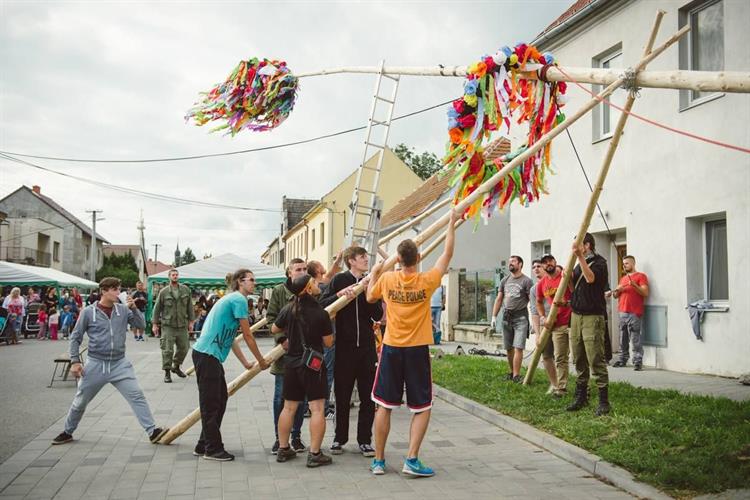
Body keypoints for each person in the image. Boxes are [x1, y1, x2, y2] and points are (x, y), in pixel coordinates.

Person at [367, 209, 458, 477]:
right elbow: (447, 254)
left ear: (398, 259)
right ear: (418, 258)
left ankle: (379, 461)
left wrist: (374, 272)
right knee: (422, 406)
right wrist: (451, 223)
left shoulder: (387, 279)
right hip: (417, 349)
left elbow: (371, 297)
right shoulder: (427, 280)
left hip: (391, 347)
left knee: (384, 404)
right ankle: (411, 459)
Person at [51, 277, 168, 446]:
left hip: (120, 364)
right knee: (81, 400)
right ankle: (68, 431)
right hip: (96, 363)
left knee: (137, 395)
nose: (117, 292)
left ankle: (152, 431)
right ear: (104, 291)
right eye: (114, 289)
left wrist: (134, 309)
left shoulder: (122, 310)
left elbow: (141, 325)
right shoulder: (88, 312)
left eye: (118, 289)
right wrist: (75, 361)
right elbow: (75, 337)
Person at [190, 269, 270, 461]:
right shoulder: (238, 300)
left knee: (220, 400)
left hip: (211, 357)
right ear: (240, 282)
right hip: (206, 355)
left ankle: (203, 444)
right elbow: (248, 335)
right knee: (211, 404)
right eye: (251, 280)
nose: (254, 283)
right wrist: (261, 360)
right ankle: (212, 449)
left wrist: (245, 363)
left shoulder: (234, 300)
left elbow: (232, 338)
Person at [321, 246, 382, 458]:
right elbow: (323, 306)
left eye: (366, 256)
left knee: (368, 397)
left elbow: (377, 314)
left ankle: (365, 440)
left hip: (366, 348)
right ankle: (339, 438)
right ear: (351, 261)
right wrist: (339, 295)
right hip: (344, 349)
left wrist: (368, 293)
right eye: (362, 257)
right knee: (342, 395)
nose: (366, 260)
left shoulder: (369, 280)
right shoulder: (339, 280)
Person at [273, 274, 335, 467]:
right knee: (317, 409)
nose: (318, 285)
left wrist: (287, 337)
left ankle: (283, 449)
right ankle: (315, 453)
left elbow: (275, 328)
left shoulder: (289, 308)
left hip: (291, 364)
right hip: (312, 365)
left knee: (289, 407)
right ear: (308, 289)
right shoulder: (320, 313)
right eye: (315, 283)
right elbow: (328, 342)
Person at [266, 258, 308, 455]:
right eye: (298, 269)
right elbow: (271, 319)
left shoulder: (310, 290)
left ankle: (296, 436)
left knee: (301, 400)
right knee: (280, 398)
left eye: (305, 269)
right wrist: (282, 338)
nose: (302, 272)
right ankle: (278, 438)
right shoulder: (279, 291)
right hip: (284, 355)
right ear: (289, 273)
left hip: (305, 354)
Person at [566, 233, 611, 416]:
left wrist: (579, 257)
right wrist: (567, 278)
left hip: (593, 316)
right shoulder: (578, 264)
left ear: (587, 245)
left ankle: (603, 400)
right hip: (576, 315)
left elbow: (590, 279)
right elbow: (573, 288)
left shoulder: (600, 263)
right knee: (578, 356)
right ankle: (581, 395)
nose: (575, 247)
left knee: (595, 357)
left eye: (579, 244)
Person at [308, 251, 344, 421]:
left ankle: (315, 404)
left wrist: (338, 259)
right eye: (319, 265)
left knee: (321, 368)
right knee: (327, 369)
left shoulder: (320, 283)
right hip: (327, 333)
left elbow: (330, 273)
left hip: (324, 334)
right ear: (316, 270)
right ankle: (324, 406)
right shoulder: (320, 287)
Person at [491, 256, 533, 383]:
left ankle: (516, 375)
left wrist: (533, 320)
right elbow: (499, 299)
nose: (510, 264)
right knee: (509, 347)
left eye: (513, 261)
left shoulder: (527, 281)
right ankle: (511, 372)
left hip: (521, 318)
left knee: (518, 347)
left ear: (520, 264)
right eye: (509, 262)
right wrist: (494, 316)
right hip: (506, 317)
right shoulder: (505, 280)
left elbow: (532, 301)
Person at [536, 255, 572, 397]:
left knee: (568, 356)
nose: (548, 264)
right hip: (553, 324)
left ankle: (569, 388)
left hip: (568, 321)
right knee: (553, 356)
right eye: (544, 263)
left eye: (550, 261)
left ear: (555, 262)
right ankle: (558, 386)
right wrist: (543, 316)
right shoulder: (542, 283)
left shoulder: (565, 275)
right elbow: (539, 301)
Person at [152, 269, 194, 383]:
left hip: (182, 325)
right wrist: (155, 324)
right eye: (173, 275)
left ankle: (176, 366)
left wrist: (191, 322)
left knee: (185, 347)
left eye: (176, 275)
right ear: (169, 277)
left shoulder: (185, 290)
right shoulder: (164, 292)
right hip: (168, 326)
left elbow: (190, 306)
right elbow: (157, 309)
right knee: (167, 350)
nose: (175, 276)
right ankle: (167, 372)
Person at [609, 255, 649, 371]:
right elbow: (615, 295)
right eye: (623, 263)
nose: (624, 265)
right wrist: (617, 291)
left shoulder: (641, 276)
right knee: (623, 337)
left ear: (633, 263)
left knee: (635, 337)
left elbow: (645, 293)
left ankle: (637, 361)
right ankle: (622, 360)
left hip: (634, 312)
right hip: (622, 311)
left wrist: (634, 285)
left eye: (626, 263)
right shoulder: (623, 279)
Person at [529, 259, 557, 393]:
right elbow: (534, 311)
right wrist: (538, 334)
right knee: (546, 355)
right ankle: (554, 384)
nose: (536, 269)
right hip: (543, 324)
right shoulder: (534, 289)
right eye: (533, 267)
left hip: (560, 322)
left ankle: (562, 385)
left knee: (562, 356)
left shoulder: (556, 281)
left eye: (539, 266)